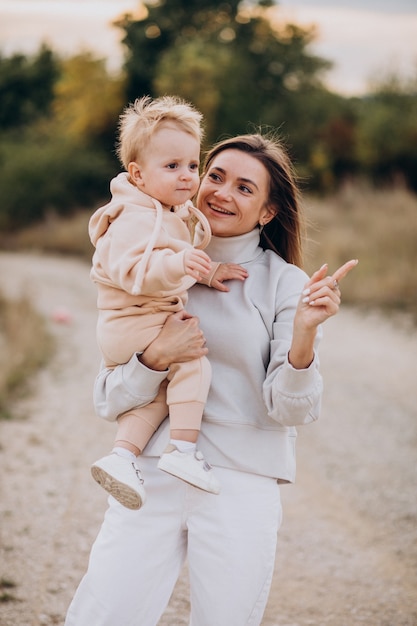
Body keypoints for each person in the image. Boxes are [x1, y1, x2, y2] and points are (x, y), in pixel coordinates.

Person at [65, 131, 357, 626]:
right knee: (104, 614)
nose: (221, 192)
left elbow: (290, 410)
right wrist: (156, 357)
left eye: (245, 188)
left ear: (267, 212)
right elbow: (108, 399)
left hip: (240, 484)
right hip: (151, 474)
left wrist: (304, 336)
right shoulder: (149, 263)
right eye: (215, 176)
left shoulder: (286, 284)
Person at [89, 95, 246, 509]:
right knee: (193, 363)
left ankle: (123, 456)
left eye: (193, 166)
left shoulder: (167, 210)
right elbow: (137, 270)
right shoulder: (131, 216)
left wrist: (206, 271)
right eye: (172, 166)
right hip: (133, 321)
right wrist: (180, 262)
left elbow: (176, 258)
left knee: (161, 391)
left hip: (140, 321)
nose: (187, 177)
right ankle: (183, 451)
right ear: (138, 174)